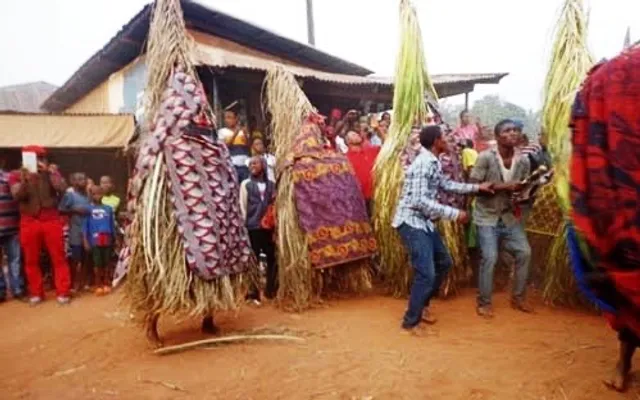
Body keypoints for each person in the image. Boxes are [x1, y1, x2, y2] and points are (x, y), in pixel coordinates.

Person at [568, 47, 640, 392]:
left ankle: (622, 369)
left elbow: (580, 139)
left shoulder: (604, 78)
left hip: (619, 217)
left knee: (625, 294)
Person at [392, 125, 492, 335]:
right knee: (426, 273)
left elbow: (445, 184)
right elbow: (419, 201)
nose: (449, 141)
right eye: (445, 138)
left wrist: (476, 188)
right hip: (412, 222)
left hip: (423, 222)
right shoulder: (423, 164)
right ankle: (410, 323)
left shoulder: (432, 161)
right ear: (437, 141)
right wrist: (456, 214)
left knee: (444, 263)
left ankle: (422, 305)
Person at [470, 119, 533, 318]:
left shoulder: (523, 160)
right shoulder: (485, 157)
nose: (513, 133)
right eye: (507, 131)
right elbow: (473, 185)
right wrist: (506, 187)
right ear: (497, 137)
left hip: (507, 216)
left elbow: (522, 187)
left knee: (525, 253)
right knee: (490, 258)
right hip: (487, 216)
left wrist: (524, 193)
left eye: (515, 130)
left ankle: (519, 297)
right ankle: (484, 302)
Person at [9, 145, 71, 305]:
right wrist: (26, 179)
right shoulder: (16, 176)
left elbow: (62, 189)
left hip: (50, 218)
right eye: (36, 157)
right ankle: (36, 292)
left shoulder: (51, 172)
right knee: (30, 259)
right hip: (29, 220)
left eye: (41, 157)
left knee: (58, 257)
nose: (39, 161)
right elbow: (17, 195)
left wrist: (52, 173)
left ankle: (63, 291)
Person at [239, 156, 277, 303]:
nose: (252, 166)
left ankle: (270, 290)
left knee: (272, 258)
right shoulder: (245, 184)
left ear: (263, 165)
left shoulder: (272, 185)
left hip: (268, 228)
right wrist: (243, 226)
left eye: (255, 163)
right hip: (252, 227)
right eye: (251, 164)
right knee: (253, 260)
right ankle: (253, 293)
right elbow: (242, 206)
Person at [59, 172, 91, 292]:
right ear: (73, 182)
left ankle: (84, 282)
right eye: (79, 179)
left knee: (86, 258)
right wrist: (75, 209)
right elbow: (61, 209)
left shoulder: (88, 195)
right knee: (75, 258)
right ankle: (73, 283)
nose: (82, 181)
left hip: (88, 230)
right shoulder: (70, 195)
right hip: (75, 230)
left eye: (83, 179)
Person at [83, 186, 116, 296]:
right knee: (97, 263)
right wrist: (85, 241)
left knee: (107, 262)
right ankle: (98, 285)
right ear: (91, 196)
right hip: (95, 239)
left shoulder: (108, 209)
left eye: (99, 193)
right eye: (94, 194)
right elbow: (85, 226)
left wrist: (114, 238)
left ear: (103, 195)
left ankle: (106, 283)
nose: (97, 196)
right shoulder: (88, 210)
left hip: (107, 238)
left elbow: (112, 225)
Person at [0, 158, 24, 301]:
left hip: (12, 226)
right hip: (10, 224)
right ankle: (1, 291)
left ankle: (17, 289)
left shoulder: (10, 176)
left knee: (15, 259)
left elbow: (18, 197)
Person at [345, 130, 380, 217]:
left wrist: (379, 130)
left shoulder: (371, 150)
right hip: (359, 198)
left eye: (357, 133)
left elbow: (388, 148)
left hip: (376, 194)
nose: (357, 134)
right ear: (348, 141)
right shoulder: (345, 158)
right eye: (353, 134)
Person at [218, 103, 251, 182]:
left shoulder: (243, 131)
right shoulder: (222, 132)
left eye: (229, 117)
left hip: (245, 165)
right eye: (225, 118)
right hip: (231, 165)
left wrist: (246, 135)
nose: (226, 120)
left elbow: (249, 146)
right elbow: (225, 147)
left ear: (236, 119)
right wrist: (235, 134)